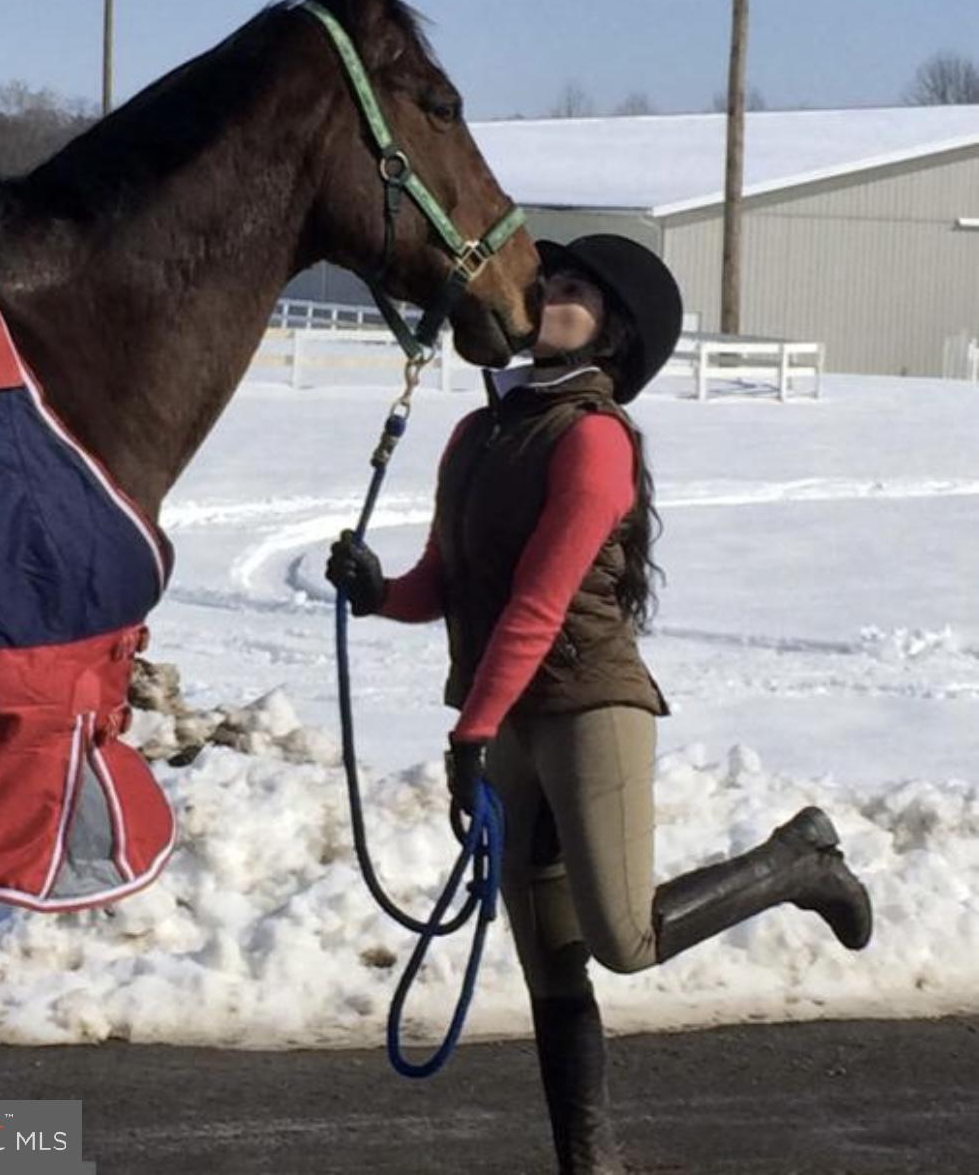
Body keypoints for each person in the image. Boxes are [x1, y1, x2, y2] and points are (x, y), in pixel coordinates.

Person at [327, 234, 872, 1175]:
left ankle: (797, 861)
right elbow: (447, 580)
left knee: (623, 938)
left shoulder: (593, 438)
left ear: (611, 332)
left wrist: (473, 727)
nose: (547, 295)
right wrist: (379, 592)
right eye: (548, 282)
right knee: (549, 960)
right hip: (503, 718)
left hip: (586, 707)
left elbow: (540, 603)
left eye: (571, 289)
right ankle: (590, 1160)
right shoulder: (478, 431)